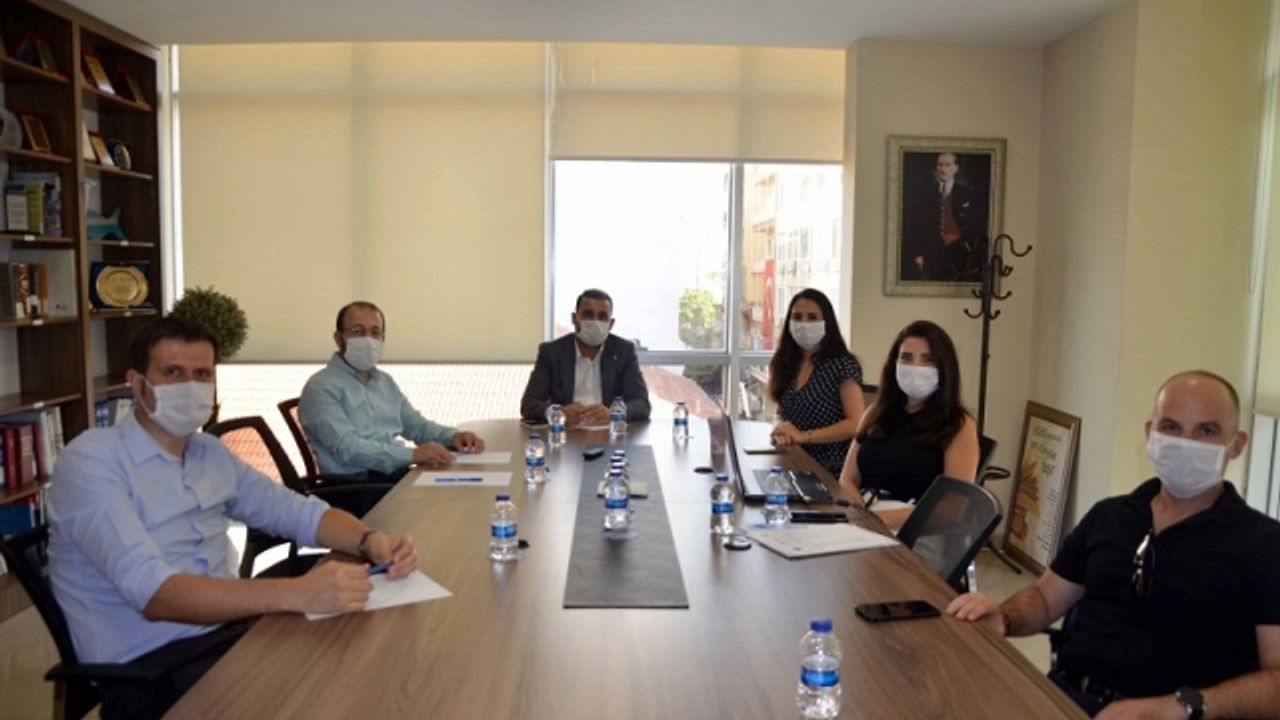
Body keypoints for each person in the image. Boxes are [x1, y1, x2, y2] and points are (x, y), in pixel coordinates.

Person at [48, 317, 417, 720]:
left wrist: (370, 540)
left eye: (202, 374)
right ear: (137, 384)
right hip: (150, 670)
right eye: (173, 373)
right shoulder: (92, 461)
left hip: (227, 637)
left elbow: (295, 511)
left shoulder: (208, 451)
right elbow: (155, 595)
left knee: (374, 664)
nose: (190, 386)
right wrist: (296, 593)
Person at [947, 371, 1280, 719]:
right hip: (1067, 700)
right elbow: (1044, 599)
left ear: (1237, 445)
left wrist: (1182, 706)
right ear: (1150, 434)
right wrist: (1004, 617)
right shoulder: (1110, 516)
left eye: (1206, 431)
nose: (1185, 442)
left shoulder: (1265, 545)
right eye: (1170, 427)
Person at [300, 301, 485, 483]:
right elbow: (348, 449)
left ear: (383, 339)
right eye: (357, 331)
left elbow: (418, 427)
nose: (368, 340)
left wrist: (454, 437)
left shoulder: (384, 382)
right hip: (358, 488)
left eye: (375, 332)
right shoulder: (320, 387)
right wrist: (412, 455)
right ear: (338, 338)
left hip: (394, 478)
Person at [838, 320, 979, 529]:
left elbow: (952, 508)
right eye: (906, 358)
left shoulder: (959, 424)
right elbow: (848, 479)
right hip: (865, 517)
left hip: (918, 529)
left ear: (944, 368)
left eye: (927, 359)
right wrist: (860, 515)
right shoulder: (875, 413)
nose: (915, 367)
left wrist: (877, 521)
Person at [766, 288, 864, 476]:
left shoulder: (843, 365)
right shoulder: (787, 362)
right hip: (791, 459)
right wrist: (780, 429)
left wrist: (804, 437)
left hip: (831, 467)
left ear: (827, 322)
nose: (804, 324)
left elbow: (855, 424)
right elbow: (781, 412)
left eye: (812, 317)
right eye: (797, 317)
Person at [520, 288, 651, 426]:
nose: (595, 322)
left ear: (611, 323)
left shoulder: (624, 351)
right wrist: (558, 413)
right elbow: (529, 403)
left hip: (609, 433)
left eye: (602, 316)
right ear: (574, 318)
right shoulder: (551, 352)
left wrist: (615, 414)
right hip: (565, 433)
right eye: (588, 314)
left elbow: (641, 403)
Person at [901, 152, 987, 283]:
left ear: (956, 168)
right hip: (932, 252)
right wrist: (918, 254)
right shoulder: (925, 193)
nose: (943, 169)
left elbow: (976, 226)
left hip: (960, 251)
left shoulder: (968, 194)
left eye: (947, 165)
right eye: (940, 165)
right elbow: (916, 226)